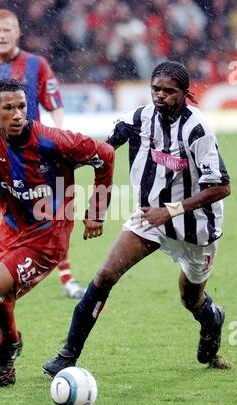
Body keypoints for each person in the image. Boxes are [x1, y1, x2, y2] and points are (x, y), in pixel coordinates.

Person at [43, 61, 231, 378]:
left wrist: (169, 211)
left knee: (190, 298)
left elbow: (221, 186)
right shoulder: (140, 118)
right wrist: (70, 166)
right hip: (149, 217)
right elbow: (103, 150)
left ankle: (210, 317)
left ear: (185, 93)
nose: (160, 96)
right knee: (105, 275)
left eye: (169, 91)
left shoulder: (197, 130)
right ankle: (67, 355)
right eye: (155, 89)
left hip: (196, 226)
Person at [0, 78, 114, 387]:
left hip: (47, 236)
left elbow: (105, 154)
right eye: (9, 108)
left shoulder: (53, 141)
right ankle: (4, 371)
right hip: (10, 230)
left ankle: (9, 346)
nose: (18, 114)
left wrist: (97, 212)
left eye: (22, 106)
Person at [0, 8, 85, 299]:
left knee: (48, 217)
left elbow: (55, 105)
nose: (2, 36)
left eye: (8, 30)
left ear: (18, 32)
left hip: (31, 160)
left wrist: (57, 142)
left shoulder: (36, 64)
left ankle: (67, 279)